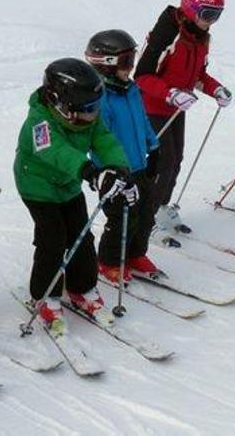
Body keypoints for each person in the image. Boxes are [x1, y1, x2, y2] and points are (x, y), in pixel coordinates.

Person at [14, 58, 132, 330]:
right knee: (52, 240)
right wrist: (89, 170)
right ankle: (44, 295)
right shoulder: (39, 122)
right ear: (61, 104)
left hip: (68, 185)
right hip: (38, 187)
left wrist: (118, 168)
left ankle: (82, 287)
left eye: (95, 108)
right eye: (87, 109)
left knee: (81, 234)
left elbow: (103, 139)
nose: (93, 114)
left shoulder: (86, 115)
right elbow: (56, 151)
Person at [135, 0, 230, 235]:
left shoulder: (200, 37)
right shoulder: (167, 33)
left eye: (217, 16)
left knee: (176, 160)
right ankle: (145, 217)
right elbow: (141, 76)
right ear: (189, 7)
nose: (210, 21)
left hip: (176, 108)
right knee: (162, 164)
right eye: (207, 14)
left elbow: (198, 75)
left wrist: (215, 89)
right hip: (153, 108)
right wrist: (170, 94)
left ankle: (161, 207)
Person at [84, 30, 162, 283]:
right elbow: (98, 139)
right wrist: (107, 170)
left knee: (146, 213)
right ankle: (108, 260)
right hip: (117, 172)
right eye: (126, 62)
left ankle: (136, 253)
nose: (131, 68)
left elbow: (143, 120)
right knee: (121, 218)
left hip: (139, 165)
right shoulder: (99, 98)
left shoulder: (130, 89)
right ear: (106, 65)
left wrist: (154, 146)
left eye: (132, 60)